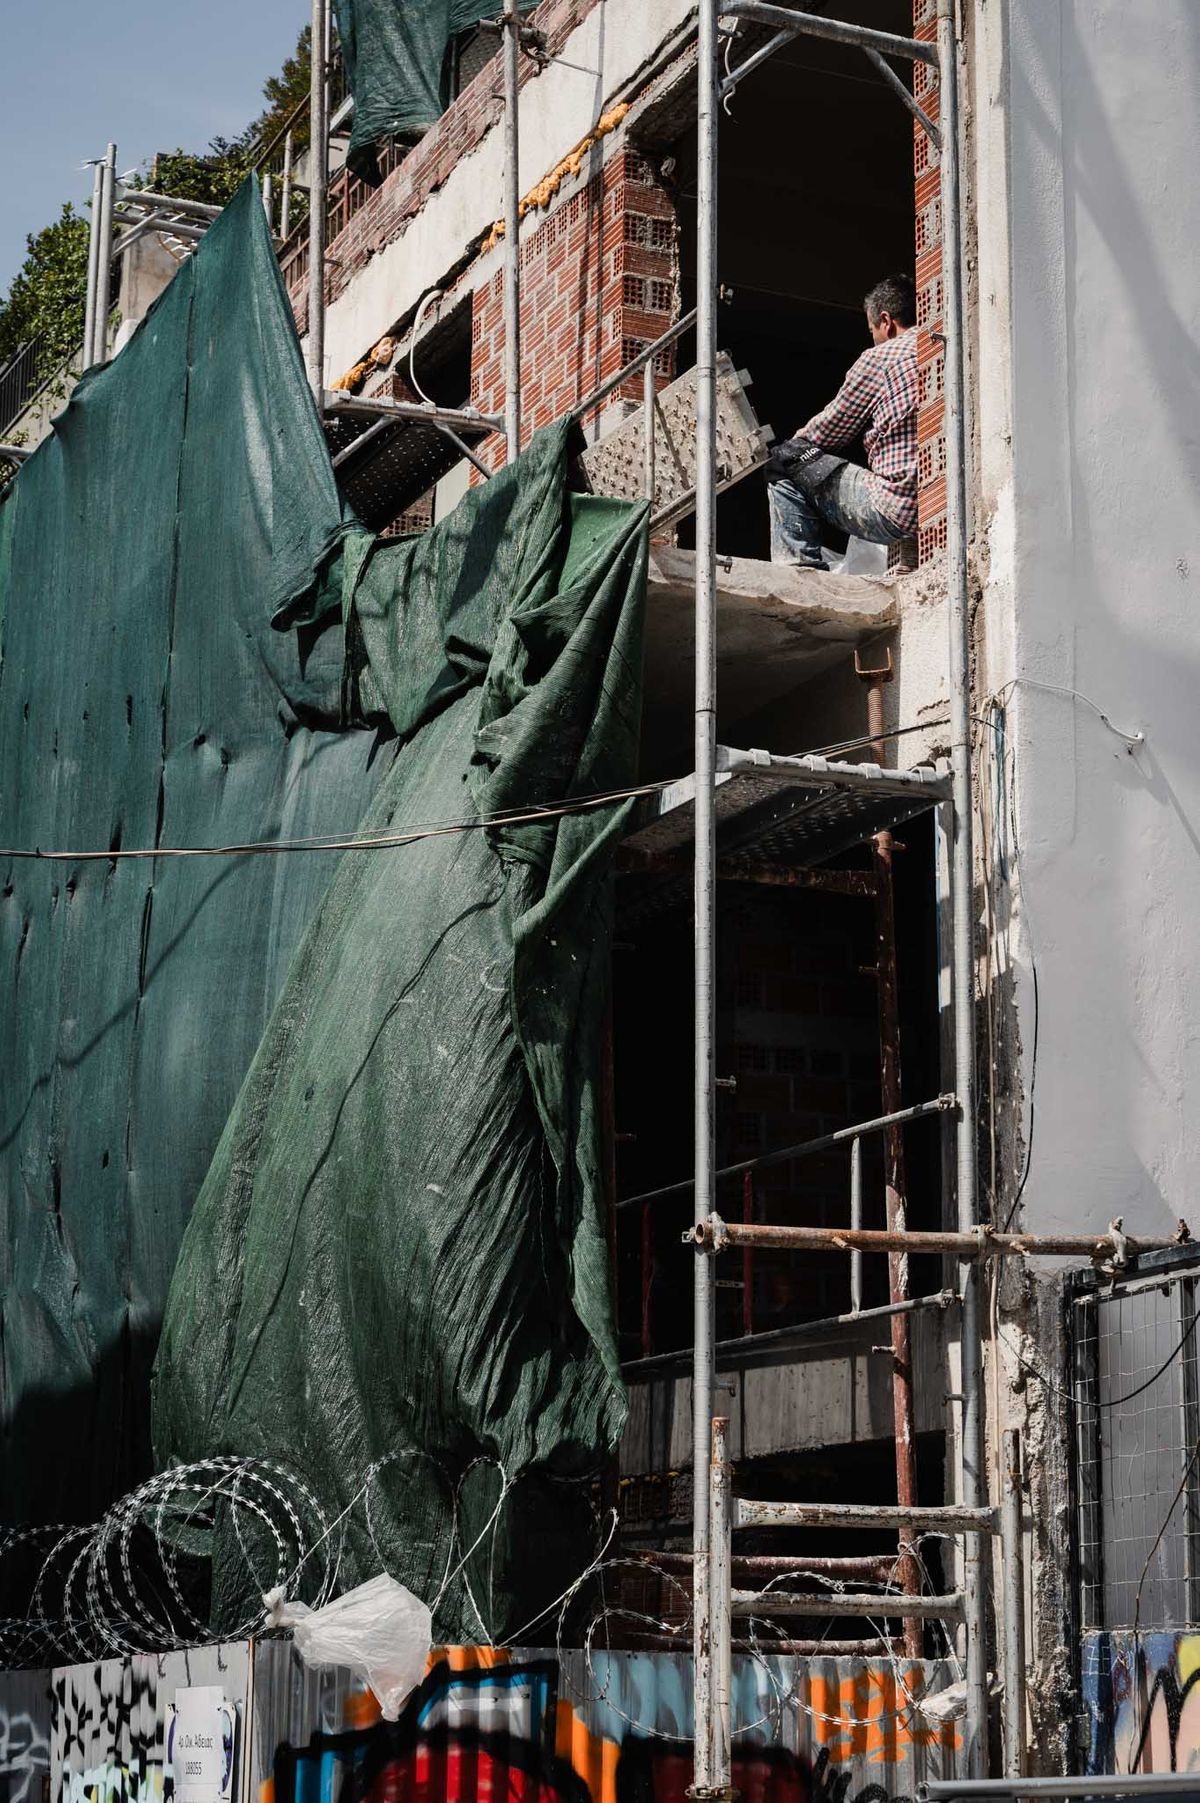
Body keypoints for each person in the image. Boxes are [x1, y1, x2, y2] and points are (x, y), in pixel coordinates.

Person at [766, 273, 918, 569]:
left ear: (886, 322)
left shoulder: (883, 357)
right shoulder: (945, 346)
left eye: (872, 329)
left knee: (782, 462)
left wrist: (790, 447)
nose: (873, 337)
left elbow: (828, 431)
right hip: (943, 505)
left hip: (898, 509)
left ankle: (798, 571)